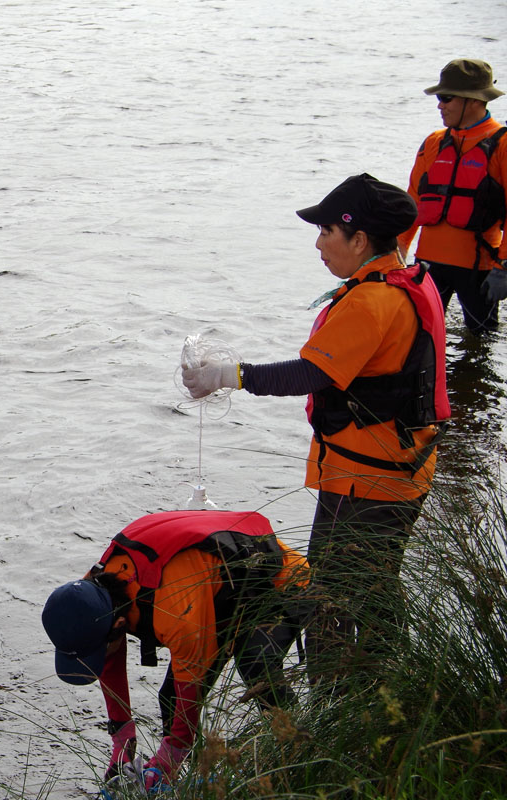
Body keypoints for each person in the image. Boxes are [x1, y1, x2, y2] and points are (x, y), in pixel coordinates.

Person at [181, 174, 449, 683]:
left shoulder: (374, 302)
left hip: (367, 481)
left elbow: (312, 373)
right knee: (373, 589)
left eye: (327, 230)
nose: (319, 241)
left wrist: (227, 376)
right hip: (396, 471)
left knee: (331, 597)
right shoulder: (407, 280)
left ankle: (336, 705)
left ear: (360, 239)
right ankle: (391, 690)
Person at [42, 510, 309, 792]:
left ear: (120, 624)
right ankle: (179, 784)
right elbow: (109, 652)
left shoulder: (174, 610)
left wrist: (175, 751)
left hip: (278, 584)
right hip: (215, 590)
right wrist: (122, 737)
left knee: (257, 668)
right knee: (170, 698)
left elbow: (191, 682)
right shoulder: (90, 590)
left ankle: (300, 755)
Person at [398, 58, 507, 334]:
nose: (439, 105)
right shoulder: (433, 143)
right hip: (427, 267)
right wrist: (398, 248)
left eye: (447, 98)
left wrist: (503, 267)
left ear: (474, 101)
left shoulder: (502, 145)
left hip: (479, 270)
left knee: (480, 344)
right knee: (416, 338)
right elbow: (412, 201)